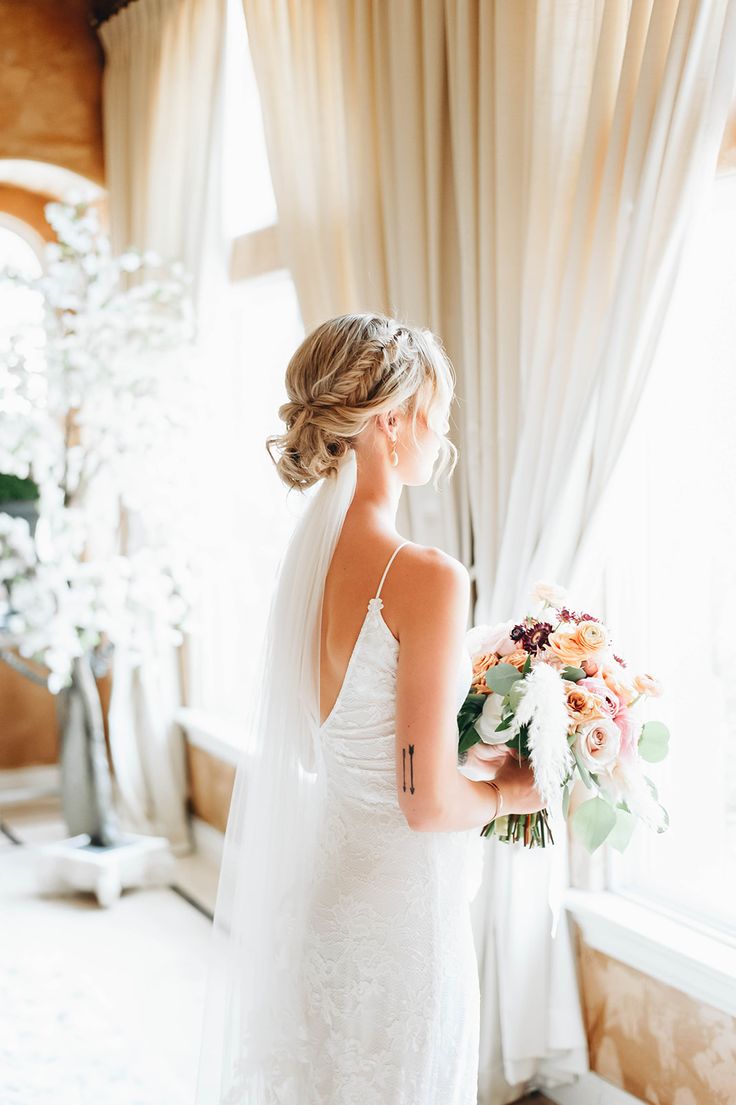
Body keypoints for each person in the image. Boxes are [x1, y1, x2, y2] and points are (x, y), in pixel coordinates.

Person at [193, 312, 545, 1105]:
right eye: (437, 409)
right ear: (391, 419)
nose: (444, 430)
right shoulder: (424, 574)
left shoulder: (307, 562)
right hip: (400, 922)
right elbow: (423, 804)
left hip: (328, 898)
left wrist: (465, 752)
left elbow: (351, 745)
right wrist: (509, 793)